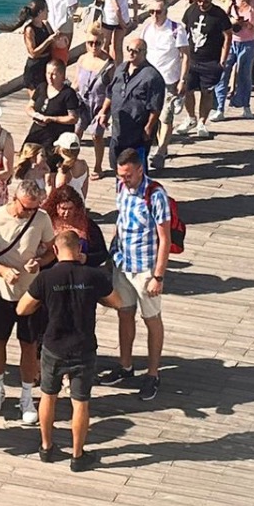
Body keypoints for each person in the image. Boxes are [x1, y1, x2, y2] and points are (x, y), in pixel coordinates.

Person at [18, 227, 118, 470]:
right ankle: (77, 455)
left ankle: (46, 446)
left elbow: (21, 309)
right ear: (79, 250)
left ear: (55, 250)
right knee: (80, 401)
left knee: (48, 396)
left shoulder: (46, 278)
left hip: (54, 345)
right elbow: (119, 302)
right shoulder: (93, 277)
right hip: (83, 346)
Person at [0, 177, 56, 423]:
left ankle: (26, 396)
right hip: (0, 290)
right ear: (14, 199)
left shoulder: (42, 218)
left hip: (30, 294)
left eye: (35, 207)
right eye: (26, 207)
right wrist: (2, 270)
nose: (30, 212)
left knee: (29, 345)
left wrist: (39, 263)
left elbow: (52, 250)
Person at [107, 150, 170, 400]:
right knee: (124, 314)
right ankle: (126, 366)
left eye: (129, 175)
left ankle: (153, 374)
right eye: (121, 175)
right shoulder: (121, 189)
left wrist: (158, 276)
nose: (125, 180)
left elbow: (164, 238)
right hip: (123, 263)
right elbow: (120, 221)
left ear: (140, 170)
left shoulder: (155, 195)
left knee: (151, 319)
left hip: (145, 267)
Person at [99, 36, 166, 172]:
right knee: (117, 165)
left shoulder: (152, 76)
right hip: (118, 128)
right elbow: (111, 93)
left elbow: (155, 106)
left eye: (135, 51)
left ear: (144, 53)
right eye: (129, 49)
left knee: (136, 168)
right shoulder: (121, 69)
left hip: (137, 130)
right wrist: (104, 112)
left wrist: (148, 127)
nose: (131, 53)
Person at [135, 0, 187, 164]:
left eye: (158, 11)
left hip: (168, 80)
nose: (154, 15)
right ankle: (155, 145)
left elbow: (186, 55)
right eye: (151, 12)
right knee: (151, 116)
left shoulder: (176, 29)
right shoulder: (147, 28)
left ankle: (162, 151)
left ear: (166, 11)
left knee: (166, 116)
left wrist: (183, 80)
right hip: (148, 80)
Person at [180, 0, 230, 138]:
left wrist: (223, 59)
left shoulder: (219, 14)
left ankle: (202, 121)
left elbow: (228, 35)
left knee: (206, 92)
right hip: (192, 58)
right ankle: (191, 118)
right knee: (187, 90)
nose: (202, 4)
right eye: (199, 1)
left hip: (210, 60)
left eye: (205, 1)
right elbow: (183, 30)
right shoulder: (192, 10)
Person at [214, 0, 254, 123]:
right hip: (231, 41)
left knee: (244, 75)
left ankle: (245, 106)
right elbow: (222, 19)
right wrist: (234, 21)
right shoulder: (231, 0)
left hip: (248, 42)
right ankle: (219, 108)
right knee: (223, 73)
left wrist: (250, 25)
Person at [72, 26, 117, 178]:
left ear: (103, 42)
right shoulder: (82, 59)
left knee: (97, 136)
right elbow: (76, 82)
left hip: (99, 105)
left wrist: (104, 111)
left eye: (97, 43)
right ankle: (71, 161)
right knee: (76, 132)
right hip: (82, 103)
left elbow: (111, 91)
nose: (93, 46)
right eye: (90, 43)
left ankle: (98, 166)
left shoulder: (109, 64)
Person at [25, 59, 82, 150]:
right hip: (38, 130)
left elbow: (73, 118)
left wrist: (52, 119)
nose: (50, 77)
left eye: (54, 74)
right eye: (48, 73)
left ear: (62, 75)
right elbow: (29, 106)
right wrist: (35, 114)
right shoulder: (41, 87)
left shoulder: (68, 93)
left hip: (57, 135)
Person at [9, 0, 57, 92]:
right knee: (35, 99)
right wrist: (48, 40)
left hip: (47, 63)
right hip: (35, 67)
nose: (48, 12)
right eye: (46, 10)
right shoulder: (30, 30)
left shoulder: (46, 25)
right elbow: (33, 53)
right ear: (40, 12)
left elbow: (53, 41)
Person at [51, 132, 92, 203]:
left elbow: (60, 192)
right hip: (79, 201)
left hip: (67, 206)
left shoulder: (64, 170)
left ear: (61, 150)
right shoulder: (83, 164)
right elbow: (84, 189)